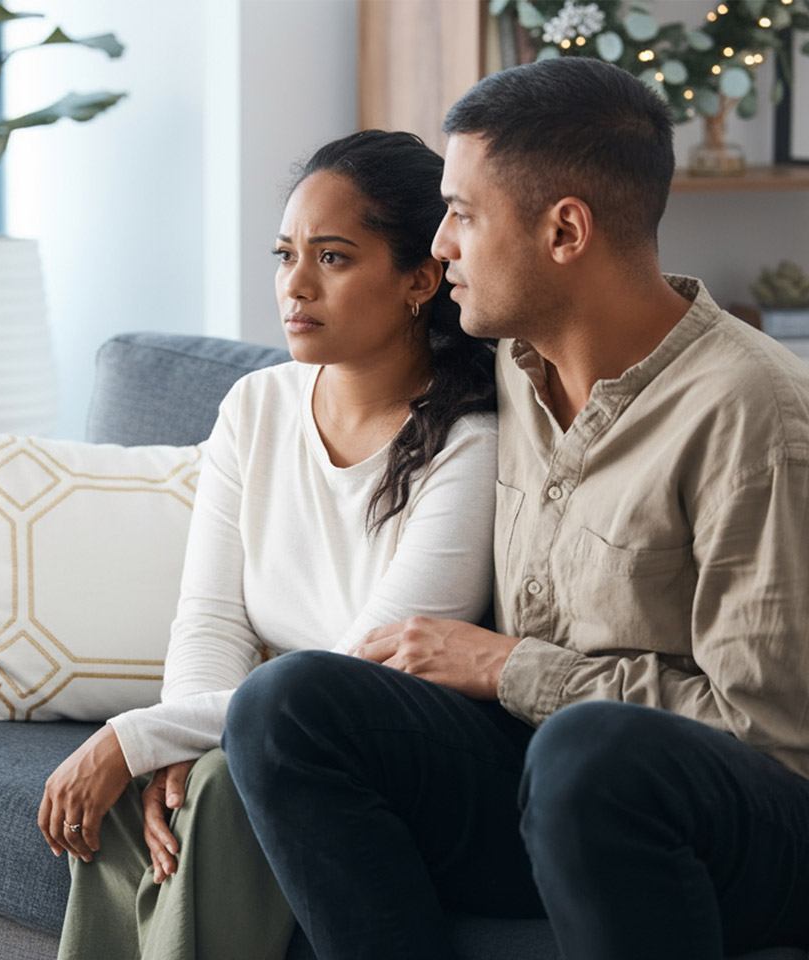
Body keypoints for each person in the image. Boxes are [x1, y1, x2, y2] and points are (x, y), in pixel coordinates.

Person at [224, 57, 809, 960]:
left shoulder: (752, 411)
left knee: (590, 755)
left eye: (461, 214)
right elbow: (357, 355)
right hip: (537, 782)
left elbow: (767, 740)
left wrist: (515, 670)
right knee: (288, 703)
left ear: (565, 231)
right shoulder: (505, 365)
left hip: (723, 822)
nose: (442, 246)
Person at [39, 130, 501, 960]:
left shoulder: (471, 440)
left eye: (332, 257)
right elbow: (211, 620)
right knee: (151, 788)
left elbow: (361, 672)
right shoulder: (254, 408)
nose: (294, 284)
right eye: (286, 253)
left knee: (210, 780)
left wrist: (143, 736)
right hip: (252, 720)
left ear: (420, 280)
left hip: (372, 755)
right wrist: (165, 746)